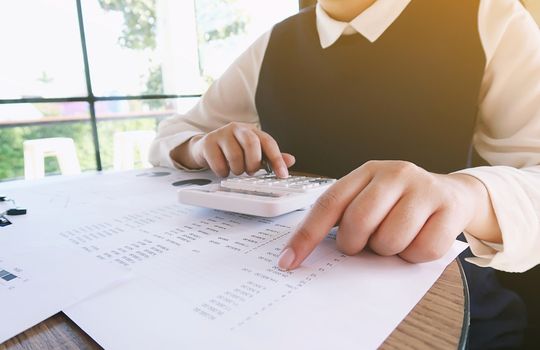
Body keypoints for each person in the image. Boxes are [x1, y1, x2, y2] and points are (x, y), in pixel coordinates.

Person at [150, 0, 540, 347]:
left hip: (447, 306)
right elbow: (171, 135)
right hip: (280, 296)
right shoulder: (274, 43)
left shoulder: (490, 16)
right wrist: (200, 145)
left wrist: (464, 195)